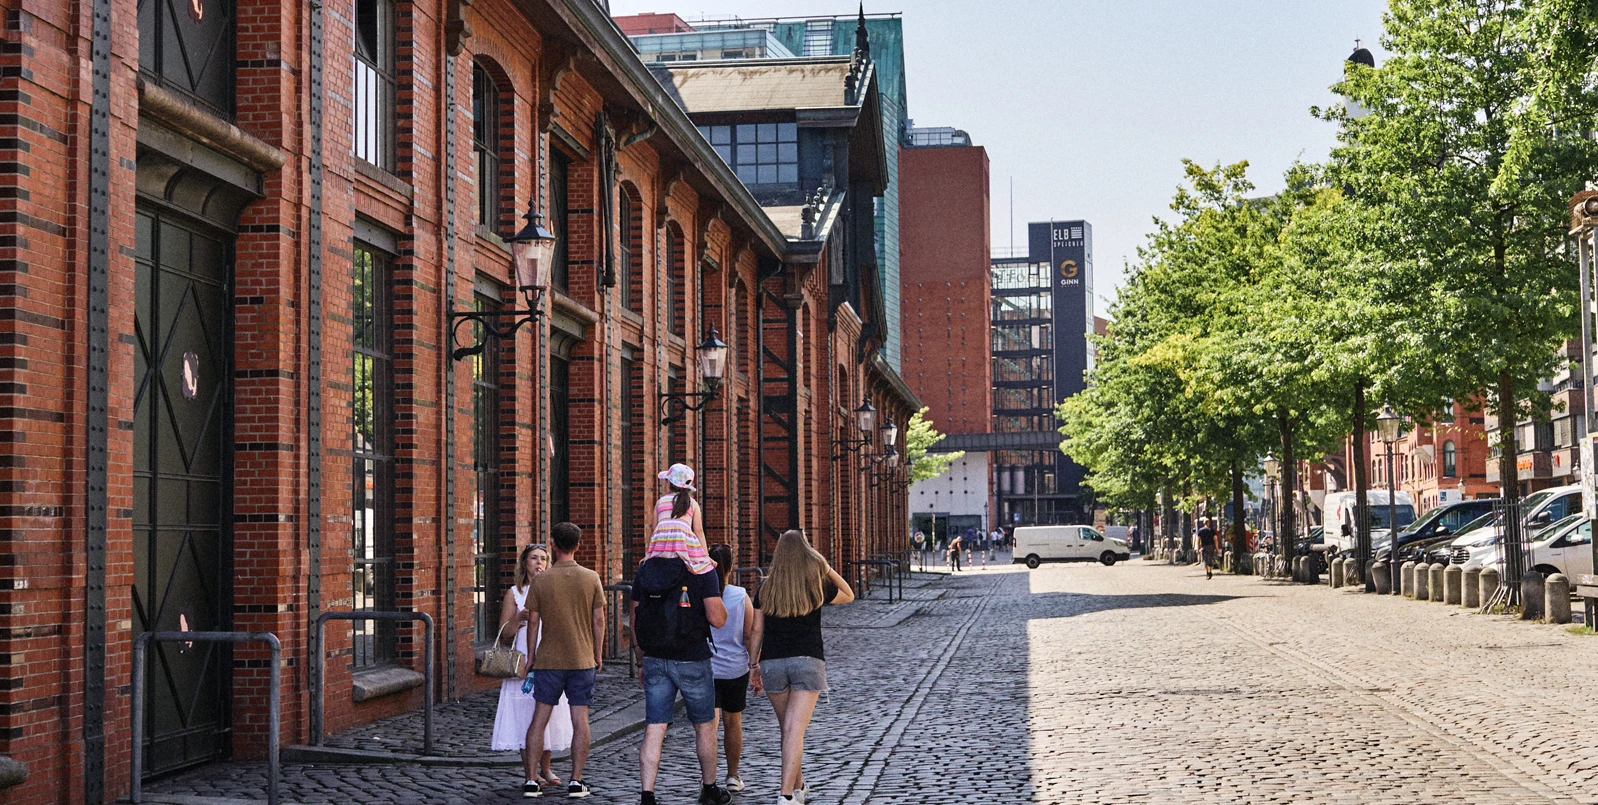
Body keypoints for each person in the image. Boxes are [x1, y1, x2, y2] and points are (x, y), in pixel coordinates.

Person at [632, 464, 732, 805]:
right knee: (705, 724)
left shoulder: (644, 570)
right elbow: (718, 619)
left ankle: (647, 794)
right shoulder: (701, 570)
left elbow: (634, 616)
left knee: (654, 726)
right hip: (692, 656)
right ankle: (708, 789)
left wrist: (640, 656)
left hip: (656, 657)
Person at [754, 530, 855, 805]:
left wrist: (753, 665)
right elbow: (849, 594)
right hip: (808, 662)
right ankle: (786, 796)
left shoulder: (765, 587)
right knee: (794, 731)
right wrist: (826, 566)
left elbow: (756, 629)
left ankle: (798, 787)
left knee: (788, 730)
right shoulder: (815, 584)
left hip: (772, 663)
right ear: (806, 554)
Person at [521, 522, 607, 799]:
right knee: (580, 720)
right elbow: (599, 620)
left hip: (548, 660)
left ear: (553, 545)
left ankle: (532, 780)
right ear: (578, 545)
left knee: (538, 720)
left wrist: (532, 657)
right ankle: (576, 780)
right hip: (582, 660)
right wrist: (597, 653)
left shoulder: (541, 580)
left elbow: (532, 622)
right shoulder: (591, 577)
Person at [492, 543, 574, 790]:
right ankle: (531, 772)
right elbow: (504, 633)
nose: (539, 563)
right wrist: (520, 617)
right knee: (525, 714)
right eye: (534, 558)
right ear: (525, 563)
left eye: (544, 559)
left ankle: (546, 768)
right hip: (524, 660)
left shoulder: (554, 588)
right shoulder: (515, 594)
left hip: (551, 656)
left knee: (551, 712)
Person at [708, 544, 762, 794]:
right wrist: (754, 666)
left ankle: (708, 779)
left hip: (706, 668)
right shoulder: (740, 596)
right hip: (735, 669)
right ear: (731, 567)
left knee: (708, 724)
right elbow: (750, 636)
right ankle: (732, 775)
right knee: (733, 722)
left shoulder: (703, 595)